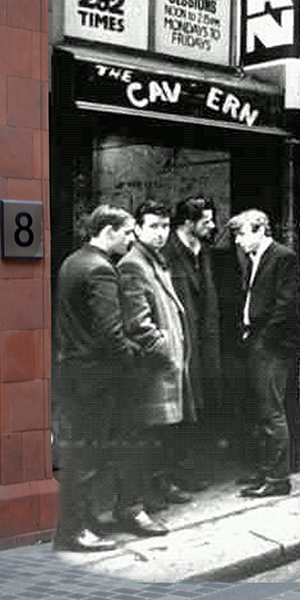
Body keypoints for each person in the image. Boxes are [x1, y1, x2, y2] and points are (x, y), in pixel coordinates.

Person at [53, 206, 155, 551]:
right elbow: (111, 334)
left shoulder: (72, 262)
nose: (131, 238)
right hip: (99, 377)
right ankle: (77, 531)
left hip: (74, 374)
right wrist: (136, 358)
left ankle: (85, 522)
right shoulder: (101, 270)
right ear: (108, 230)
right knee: (92, 455)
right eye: (127, 232)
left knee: (80, 452)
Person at [118, 201, 190, 523]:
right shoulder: (133, 265)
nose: (160, 234)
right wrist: (164, 347)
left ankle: (159, 485)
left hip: (169, 363)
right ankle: (146, 495)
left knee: (163, 433)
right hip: (154, 367)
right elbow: (137, 323)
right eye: (153, 227)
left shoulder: (156, 261)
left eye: (164, 227)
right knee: (148, 434)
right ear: (137, 229)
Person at [229, 209, 300, 498]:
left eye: (242, 233)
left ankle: (278, 479)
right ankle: (266, 470)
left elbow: (287, 305)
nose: (237, 241)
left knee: (272, 412)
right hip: (255, 340)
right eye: (236, 235)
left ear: (261, 230)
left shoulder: (283, 257)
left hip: (271, 345)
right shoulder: (252, 258)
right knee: (261, 410)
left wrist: (265, 338)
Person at [162, 196, 222, 481]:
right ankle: (175, 472)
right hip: (181, 339)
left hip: (205, 340)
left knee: (203, 400)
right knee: (180, 405)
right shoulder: (167, 252)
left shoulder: (205, 250)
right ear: (188, 223)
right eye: (206, 221)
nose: (212, 226)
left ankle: (195, 467)